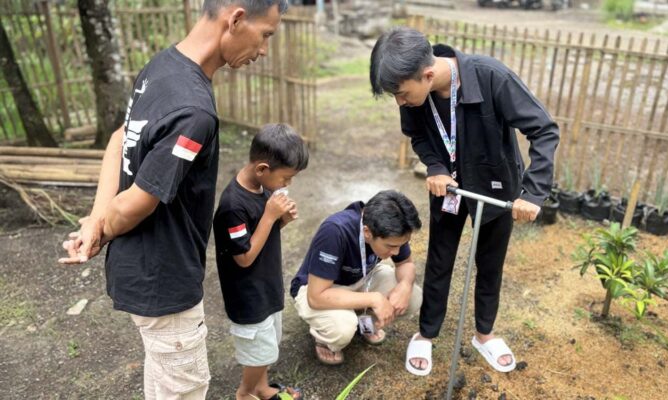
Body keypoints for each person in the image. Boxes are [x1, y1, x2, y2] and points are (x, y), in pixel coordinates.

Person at [58, 1, 289, 397]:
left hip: (140, 268)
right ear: (234, 20)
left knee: (166, 377)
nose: (264, 49)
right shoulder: (193, 110)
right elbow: (137, 202)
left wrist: (97, 219)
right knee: (182, 385)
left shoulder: (160, 67)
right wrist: (101, 226)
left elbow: (120, 139)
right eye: (265, 34)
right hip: (164, 281)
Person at [369, 27, 560, 376]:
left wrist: (532, 193)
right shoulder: (414, 94)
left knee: (490, 265)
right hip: (449, 190)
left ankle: (484, 334)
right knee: (440, 260)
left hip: (496, 188)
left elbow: (544, 129)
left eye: (400, 93)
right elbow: (417, 134)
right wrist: (437, 166)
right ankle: (427, 333)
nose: (400, 102)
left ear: (427, 74)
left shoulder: (492, 78)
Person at [213, 124, 307, 400]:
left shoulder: (264, 189)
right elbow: (243, 257)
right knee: (258, 350)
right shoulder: (233, 206)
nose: (287, 185)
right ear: (262, 169)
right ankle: (244, 393)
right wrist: (269, 216)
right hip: (247, 294)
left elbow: (261, 236)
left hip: (266, 284)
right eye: (286, 178)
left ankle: (262, 388)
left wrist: (281, 222)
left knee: (268, 343)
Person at [289, 190, 423, 365]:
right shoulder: (335, 231)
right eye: (391, 246)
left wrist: (405, 285)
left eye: (401, 245)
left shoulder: (392, 228)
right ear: (367, 232)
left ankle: (363, 322)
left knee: (413, 296)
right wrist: (374, 299)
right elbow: (316, 296)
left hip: (361, 279)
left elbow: (405, 263)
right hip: (320, 289)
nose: (396, 252)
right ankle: (324, 338)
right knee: (342, 329)